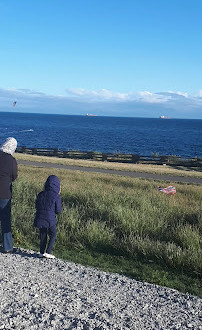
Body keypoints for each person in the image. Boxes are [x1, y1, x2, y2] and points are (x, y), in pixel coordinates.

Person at [34, 175, 62, 259]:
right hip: (50, 219)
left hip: (40, 217)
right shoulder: (56, 196)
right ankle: (48, 252)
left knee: (43, 234)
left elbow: (36, 205)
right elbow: (58, 210)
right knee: (53, 234)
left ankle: (41, 252)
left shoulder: (41, 194)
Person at [0, 137, 18, 253]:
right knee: (5, 218)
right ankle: (7, 247)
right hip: (4, 191)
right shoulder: (11, 160)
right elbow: (14, 176)